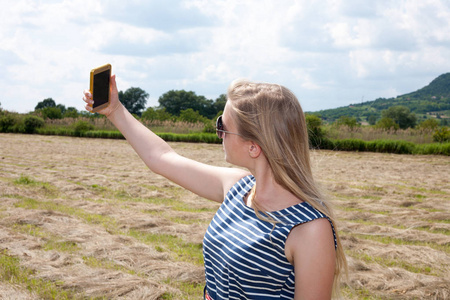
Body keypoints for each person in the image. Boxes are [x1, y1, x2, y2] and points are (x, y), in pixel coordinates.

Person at [83, 75, 347, 299]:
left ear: (253, 146)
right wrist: (115, 111)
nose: (218, 133)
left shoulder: (309, 229)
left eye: (223, 126)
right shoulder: (238, 189)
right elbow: (162, 158)